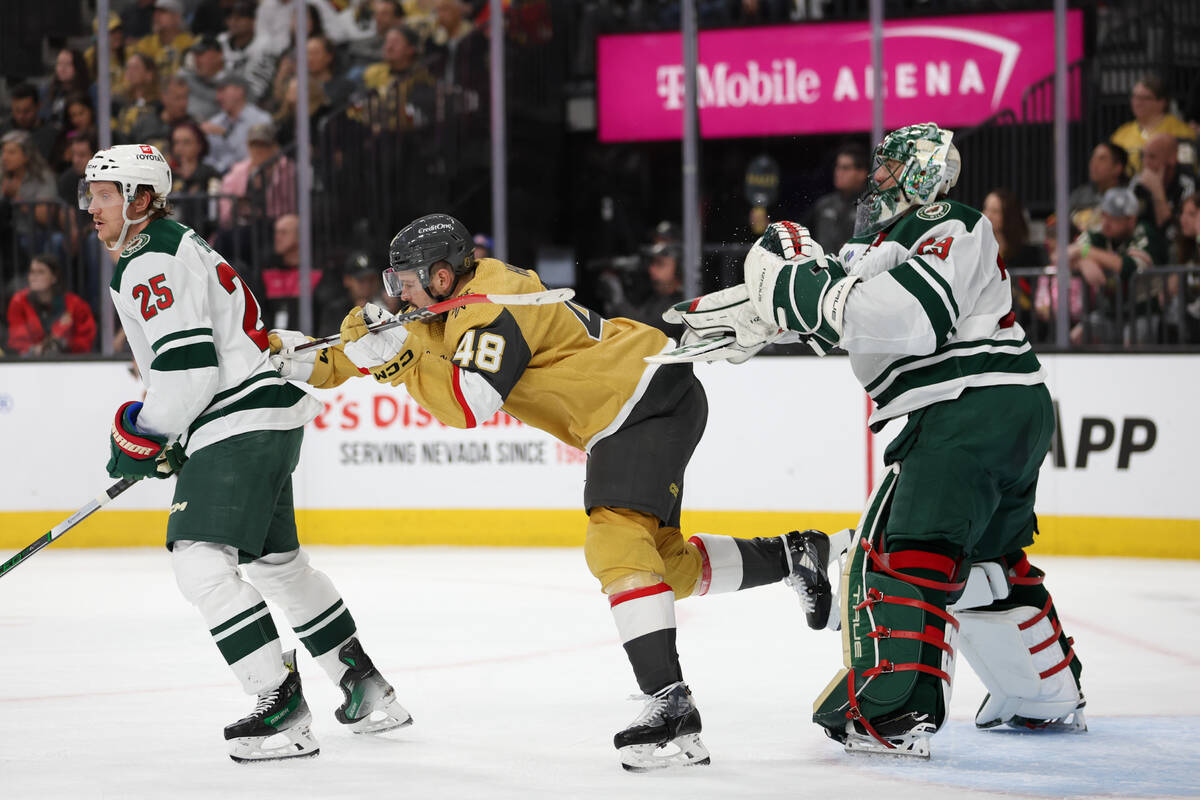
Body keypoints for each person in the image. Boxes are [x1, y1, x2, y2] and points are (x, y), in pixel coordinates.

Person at [269, 213, 831, 772]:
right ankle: (794, 555)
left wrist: (396, 361)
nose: (399, 293)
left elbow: (468, 405)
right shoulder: (449, 306)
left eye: (406, 280)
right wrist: (297, 359)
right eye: (395, 283)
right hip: (638, 401)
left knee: (614, 545)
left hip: (637, 400)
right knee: (663, 565)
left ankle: (670, 708)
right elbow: (375, 349)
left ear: (443, 275)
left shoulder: (490, 308)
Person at [669, 122, 1086, 759]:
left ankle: (892, 710)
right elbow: (840, 306)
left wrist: (787, 282)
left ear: (922, 174)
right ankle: (1042, 693)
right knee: (986, 558)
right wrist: (762, 314)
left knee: (897, 552)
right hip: (999, 407)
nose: (876, 180)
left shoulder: (950, 220)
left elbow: (902, 319)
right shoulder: (882, 246)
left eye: (890, 168)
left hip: (964, 407)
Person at [80, 143, 412, 763]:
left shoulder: (151, 258)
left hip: (236, 417)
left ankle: (279, 708)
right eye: (90, 194)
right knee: (279, 565)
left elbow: (188, 370)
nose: (91, 207)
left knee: (200, 561)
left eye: (104, 194)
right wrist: (163, 435)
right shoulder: (176, 245)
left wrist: (142, 437)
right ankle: (366, 690)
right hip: (262, 414)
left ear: (140, 199)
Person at [1054, 186, 1167, 345]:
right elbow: (1058, 257)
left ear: (1131, 220)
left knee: (1134, 338)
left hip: (1142, 312)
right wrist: (1082, 262)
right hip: (1109, 312)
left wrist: (1083, 250)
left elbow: (1128, 268)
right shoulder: (1099, 233)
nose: (1106, 223)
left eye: (1114, 218)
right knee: (1076, 337)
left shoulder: (1145, 232)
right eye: (1104, 215)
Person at [6, 253, 96, 355]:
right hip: (30, 363)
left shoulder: (75, 304)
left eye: (41, 272)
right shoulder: (18, 301)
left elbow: (85, 340)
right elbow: (17, 339)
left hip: (68, 362)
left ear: (54, 277)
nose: (34, 277)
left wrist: (65, 343)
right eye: (31, 272)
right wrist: (37, 349)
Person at [1110, 74, 1196, 176]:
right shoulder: (1121, 134)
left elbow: (1186, 171)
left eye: (1144, 98)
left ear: (1162, 102)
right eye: (1135, 97)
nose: (1137, 102)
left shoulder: (1181, 132)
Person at [803, 141, 869, 254]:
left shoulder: (871, 207)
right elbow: (799, 234)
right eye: (837, 167)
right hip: (821, 269)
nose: (839, 172)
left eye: (845, 168)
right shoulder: (823, 205)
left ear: (862, 173)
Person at [1131, 131, 1197, 242]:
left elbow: (1175, 233)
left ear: (1172, 158)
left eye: (1152, 157)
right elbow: (1125, 221)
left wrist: (1157, 191)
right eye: (1143, 156)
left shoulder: (1187, 183)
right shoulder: (1138, 182)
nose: (1146, 163)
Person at [202, 74, 273, 174]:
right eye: (217, 92)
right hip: (218, 179)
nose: (218, 97)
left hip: (250, 177)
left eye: (222, 90)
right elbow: (209, 158)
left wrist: (227, 135)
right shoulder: (215, 122)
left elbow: (252, 156)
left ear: (240, 91)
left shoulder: (261, 120)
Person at [1069, 141, 1129, 235]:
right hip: (1078, 246)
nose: (1094, 164)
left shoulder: (1127, 198)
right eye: (1093, 159)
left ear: (1117, 168)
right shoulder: (1079, 195)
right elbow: (1057, 223)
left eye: (1102, 159)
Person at [131, 0, 199, 78]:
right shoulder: (145, 44)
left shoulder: (191, 44)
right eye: (155, 12)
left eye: (162, 12)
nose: (156, 16)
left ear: (176, 17)